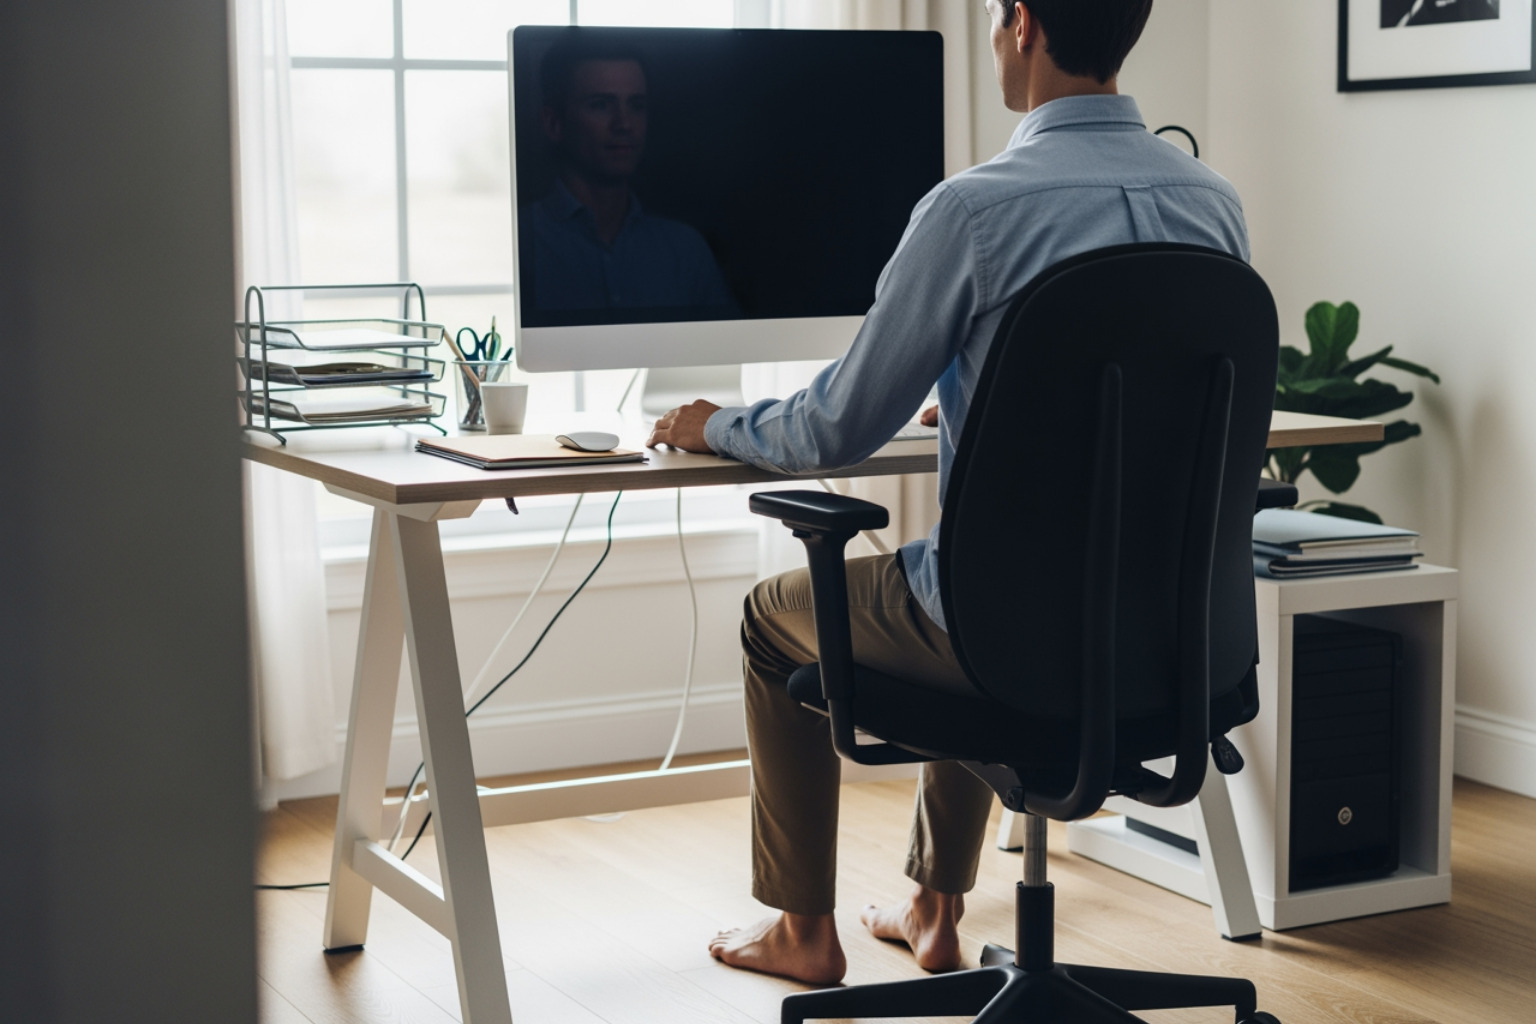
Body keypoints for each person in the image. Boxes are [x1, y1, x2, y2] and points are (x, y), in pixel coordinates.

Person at [647, 0, 1250, 986]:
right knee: (969, 572)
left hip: (1008, 638)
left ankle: (803, 930)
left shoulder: (972, 211)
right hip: (1172, 640)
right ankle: (934, 908)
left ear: (1023, 22)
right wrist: (1000, 398)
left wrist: (712, 423)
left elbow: (834, 428)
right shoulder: (1213, 201)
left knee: (782, 613)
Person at [518, 39, 737, 321]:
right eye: (600, 105)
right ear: (553, 123)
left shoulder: (686, 250)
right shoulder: (521, 241)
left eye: (636, 105)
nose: (624, 124)